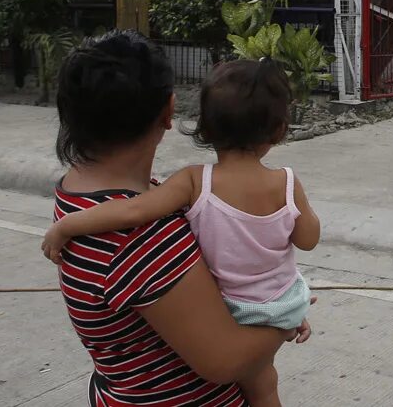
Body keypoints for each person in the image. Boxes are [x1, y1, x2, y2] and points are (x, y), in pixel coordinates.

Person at [49, 32, 311, 407]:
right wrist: (285, 318)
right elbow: (226, 360)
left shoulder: (78, 196)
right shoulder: (141, 234)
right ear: (169, 111)